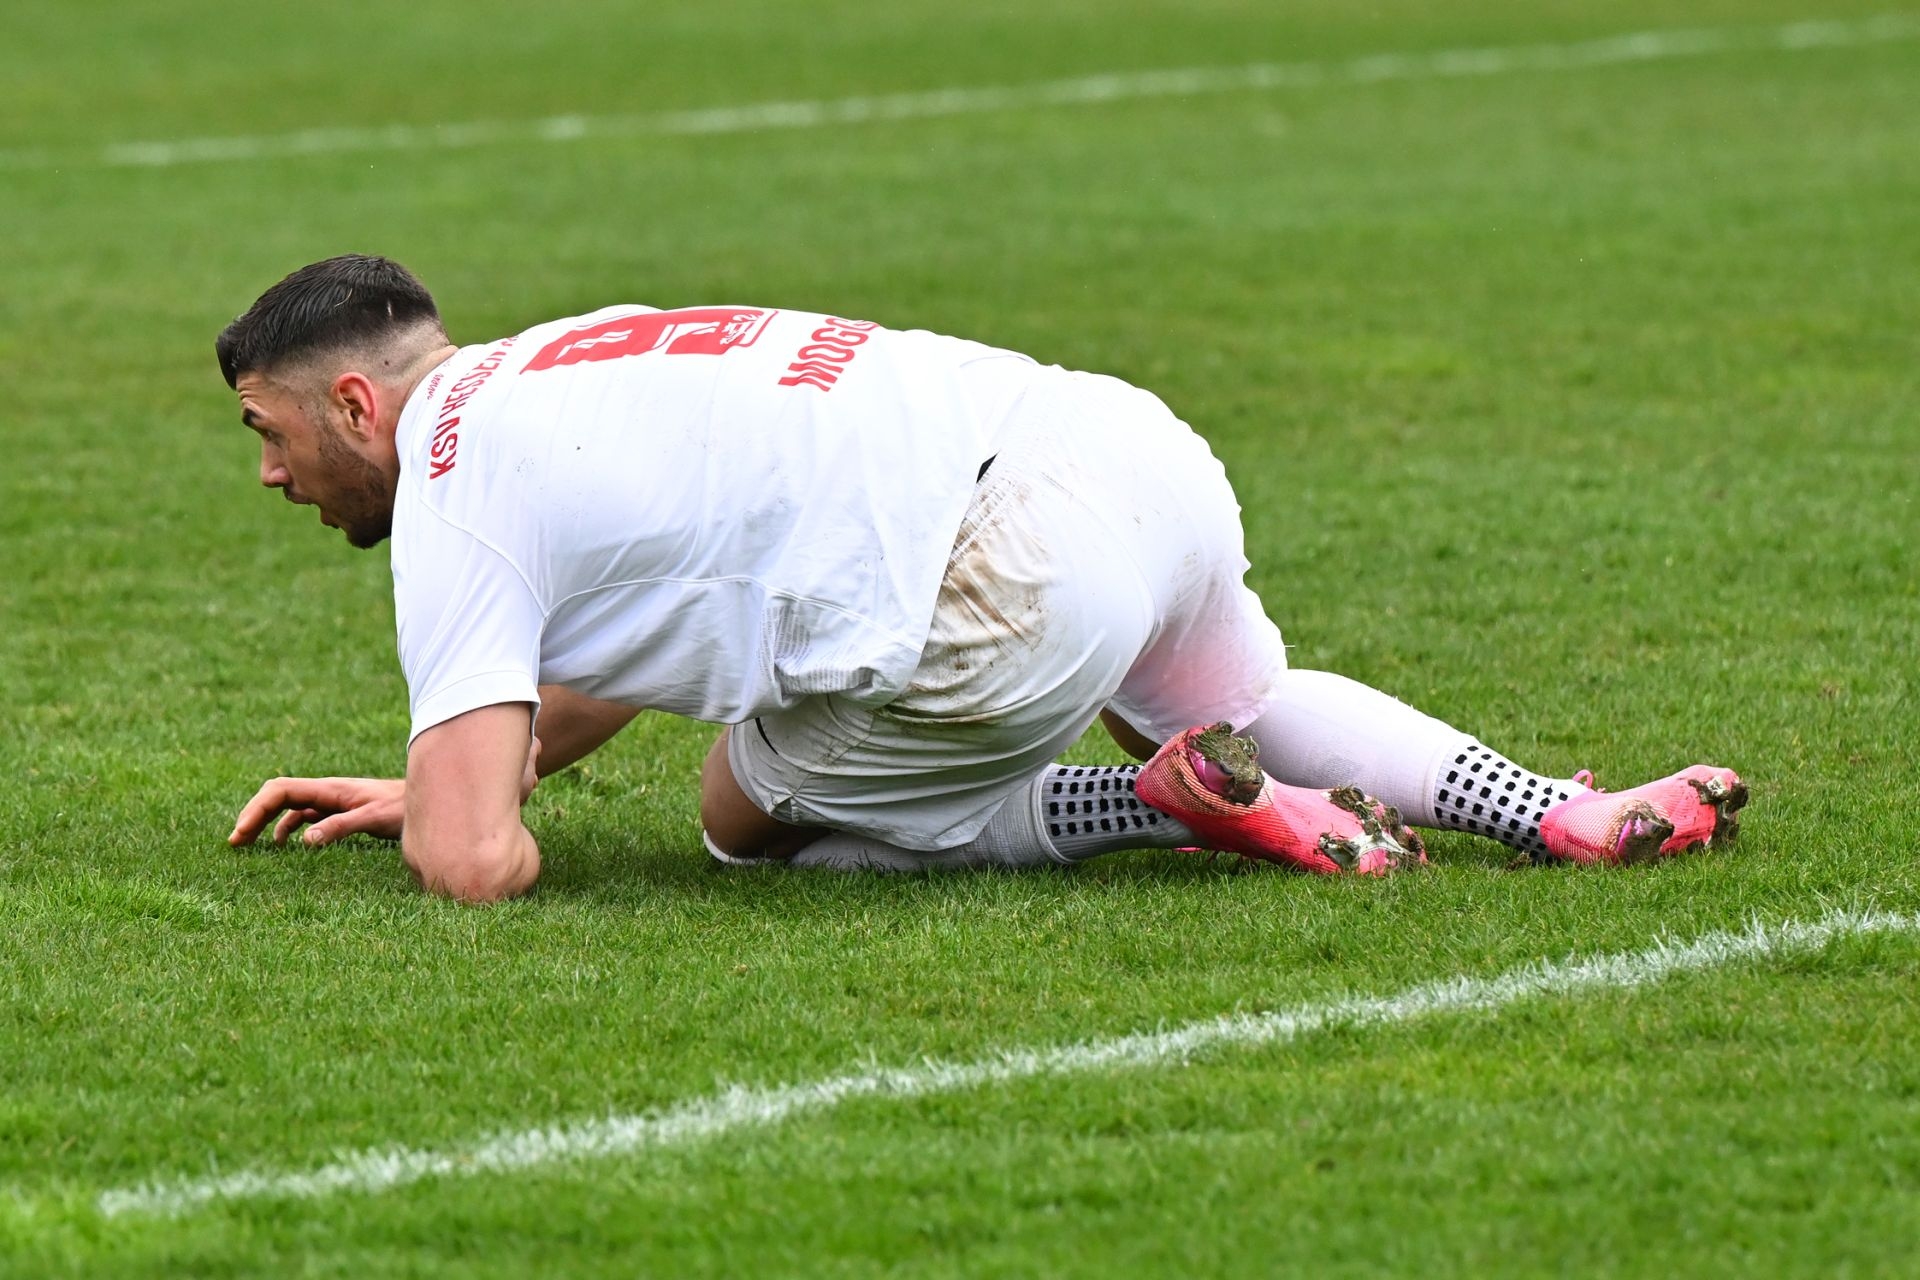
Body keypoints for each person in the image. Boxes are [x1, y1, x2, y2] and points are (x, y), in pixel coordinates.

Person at [221, 255, 1747, 901]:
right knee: (1249, 698)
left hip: (1008, 581)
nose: (272, 477)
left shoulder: (451, 478)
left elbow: (477, 867)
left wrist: (457, 809)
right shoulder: (563, 353)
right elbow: (645, 621)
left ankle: (1161, 807)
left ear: (357, 404)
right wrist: (464, 768)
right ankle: (1558, 813)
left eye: (269, 434)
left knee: (741, 816)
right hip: (1122, 447)